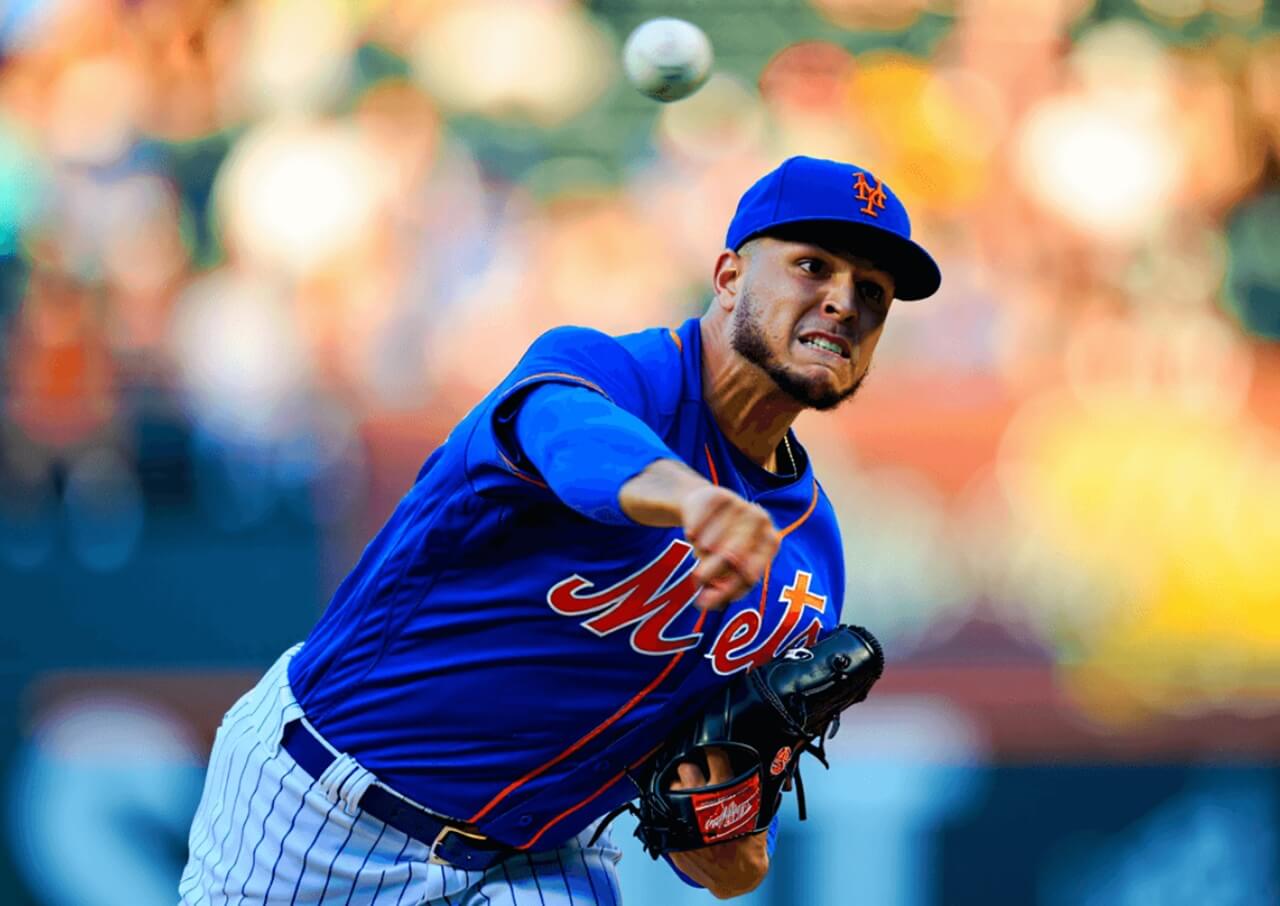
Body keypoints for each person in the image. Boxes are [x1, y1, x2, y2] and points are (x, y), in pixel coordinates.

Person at [177, 155, 941, 905]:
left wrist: (728, 837)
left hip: (539, 860)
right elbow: (564, 431)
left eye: (871, 292)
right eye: (812, 266)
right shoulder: (606, 372)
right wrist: (688, 499)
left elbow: (732, 866)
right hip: (322, 812)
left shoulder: (809, 557)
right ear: (729, 277)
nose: (843, 302)